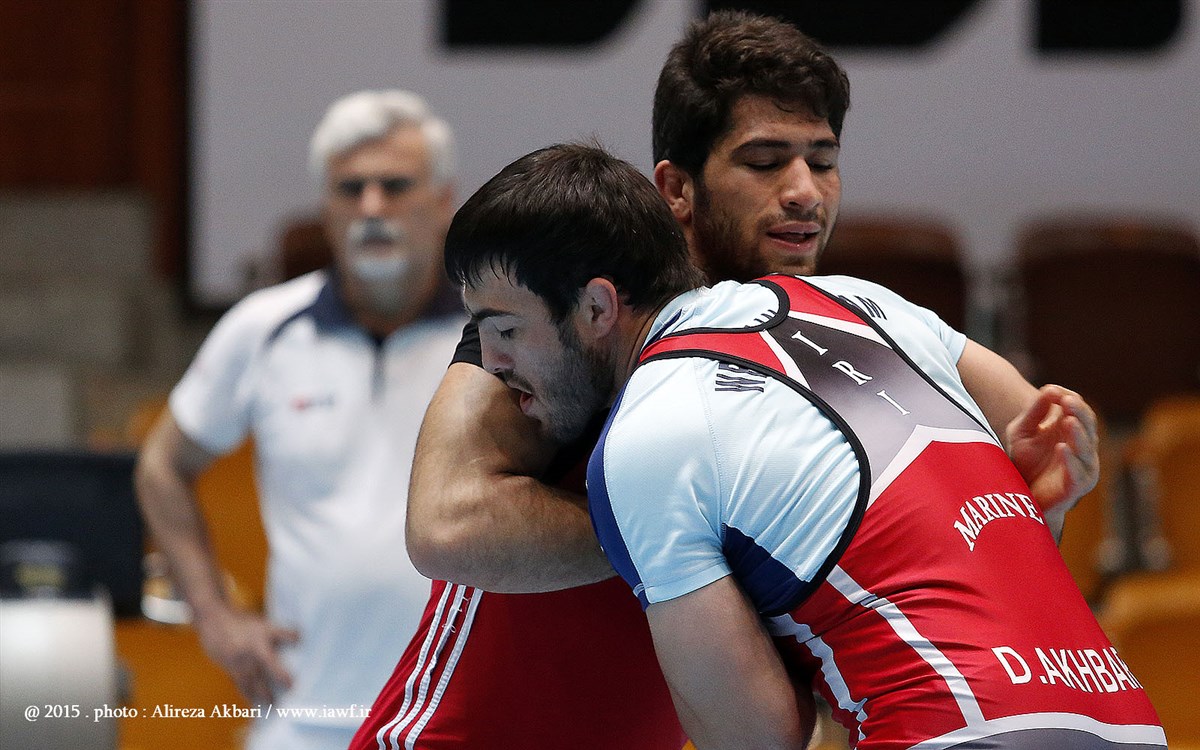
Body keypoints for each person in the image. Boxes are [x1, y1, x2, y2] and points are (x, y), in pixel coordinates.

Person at [353, 11, 1099, 749]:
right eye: (765, 161)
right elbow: (446, 527)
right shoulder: (575, 311)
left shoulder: (847, 324)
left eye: (823, 161)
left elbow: (1026, 442)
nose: (805, 191)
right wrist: (697, 529)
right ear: (677, 188)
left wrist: (1044, 499)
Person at [445, 141, 1166, 750]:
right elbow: (1030, 458)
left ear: (597, 306)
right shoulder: (870, 303)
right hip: (1131, 720)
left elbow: (756, 736)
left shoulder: (647, 434)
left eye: (504, 329)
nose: (495, 364)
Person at [135, 90, 464, 750]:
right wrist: (213, 615)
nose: (372, 207)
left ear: (443, 201)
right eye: (350, 188)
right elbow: (161, 466)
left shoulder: (498, 333)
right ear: (325, 207)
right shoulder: (262, 331)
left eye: (396, 185)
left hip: (460, 719)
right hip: (303, 714)